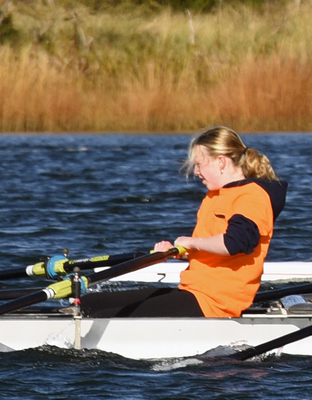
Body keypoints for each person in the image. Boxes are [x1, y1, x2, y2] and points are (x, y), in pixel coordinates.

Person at [81, 126, 287, 317]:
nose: (196, 172)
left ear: (221, 162)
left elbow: (234, 244)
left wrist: (191, 242)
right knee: (90, 303)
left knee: (104, 317)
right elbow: (215, 250)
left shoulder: (252, 196)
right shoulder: (215, 196)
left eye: (199, 164)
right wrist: (181, 252)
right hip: (193, 291)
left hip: (216, 303)